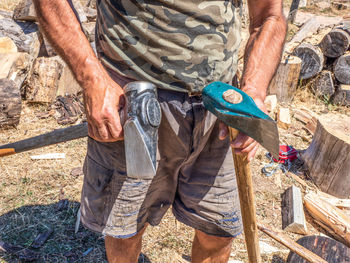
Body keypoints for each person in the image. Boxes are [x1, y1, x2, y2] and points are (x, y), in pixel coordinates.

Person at [33, 0, 286, 262]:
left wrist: (254, 91)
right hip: (132, 100)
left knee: (218, 231)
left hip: (221, 107)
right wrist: (92, 79)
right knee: (126, 230)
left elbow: (269, 15)